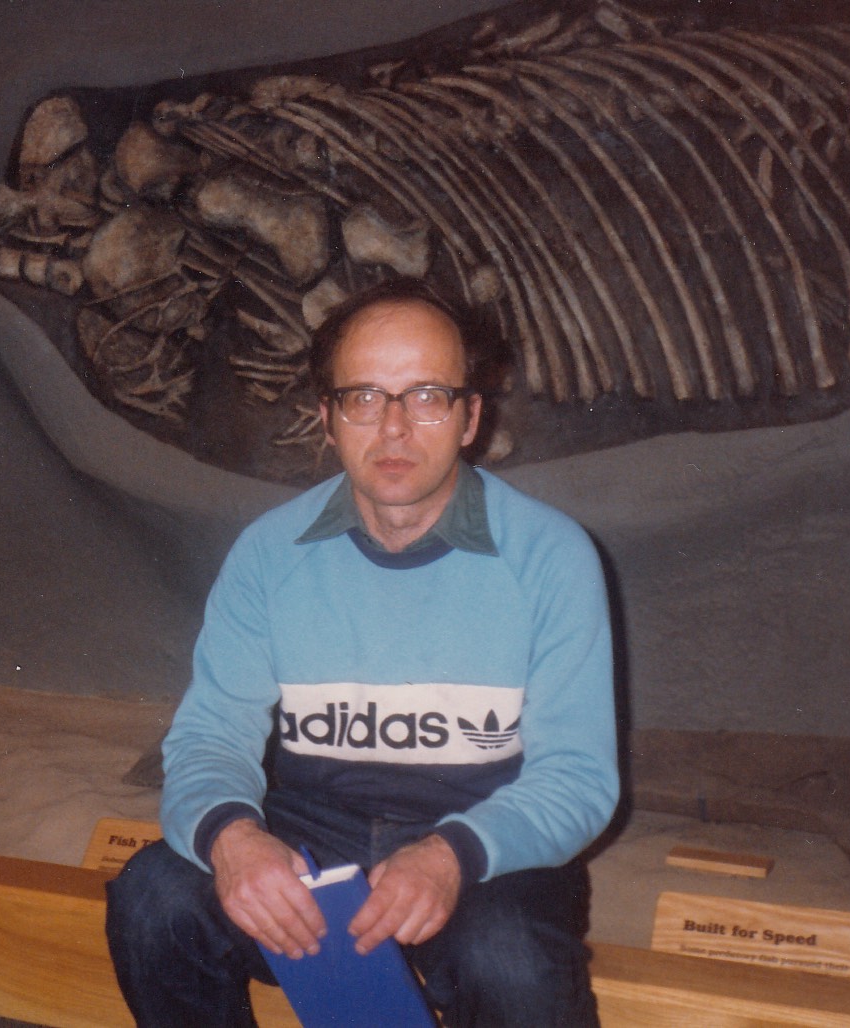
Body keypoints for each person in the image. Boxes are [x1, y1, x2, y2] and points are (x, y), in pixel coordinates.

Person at [105, 276, 619, 1027]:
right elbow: (210, 735)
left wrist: (449, 856)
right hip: (312, 831)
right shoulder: (267, 554)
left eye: (427, 396)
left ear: (471, 417)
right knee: (153, 898)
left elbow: (578, 778)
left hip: (484, 843)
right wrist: (235, 840)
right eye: (365, 398)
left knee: (509, 960)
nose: (395, 428)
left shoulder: (552, 556)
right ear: (328, 418)